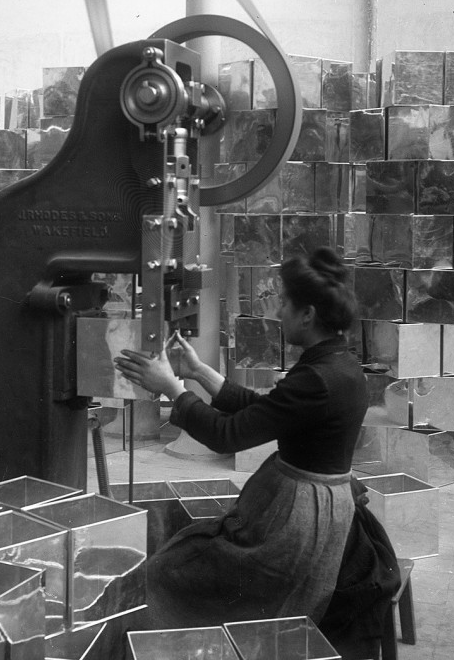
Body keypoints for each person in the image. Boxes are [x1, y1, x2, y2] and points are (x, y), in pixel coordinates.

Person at [114, 246, 369, 629]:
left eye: (285, 303)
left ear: (308, 314)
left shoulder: (317, 378)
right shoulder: (339, 364)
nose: (279, 311)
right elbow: (265, 408)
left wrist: (170, 387)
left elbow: (226, 435)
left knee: (167, 572)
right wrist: (199, 373)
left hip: (294, 527)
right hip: (315, 510)